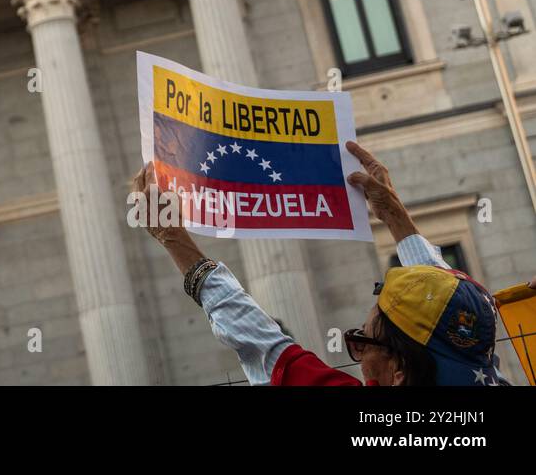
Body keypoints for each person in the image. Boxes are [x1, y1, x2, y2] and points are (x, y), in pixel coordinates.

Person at [130, 141, 509, 386]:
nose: (357, 356)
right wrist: (394, 216)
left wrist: (173, 239)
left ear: (398, 372)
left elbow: (265, 347)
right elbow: (451, 302)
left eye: (361, 342)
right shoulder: (480, 361)